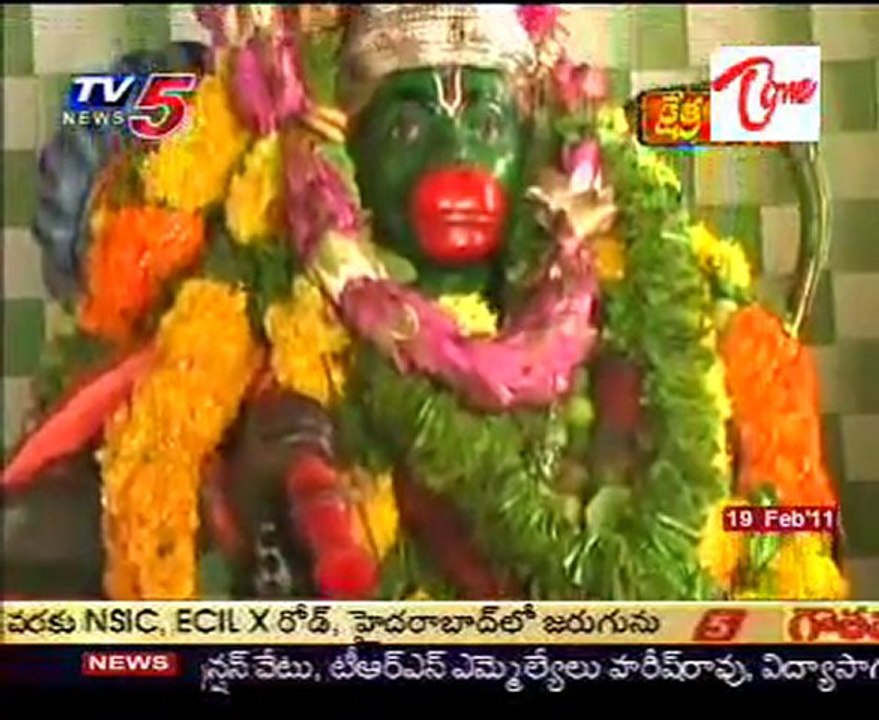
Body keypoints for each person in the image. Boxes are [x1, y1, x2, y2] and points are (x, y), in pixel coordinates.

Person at [2, 5, 847, 601]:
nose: (459, 157)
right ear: (344, 147)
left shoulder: (671, 329)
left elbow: (781, 575)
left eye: (484, 120)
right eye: (409, 128)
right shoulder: (250, 331)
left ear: (535, 137)